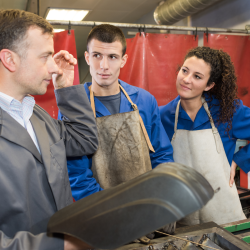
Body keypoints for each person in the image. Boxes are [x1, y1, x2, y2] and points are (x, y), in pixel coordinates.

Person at [0, 9, 98, 250]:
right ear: (9, 59)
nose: (54, 68)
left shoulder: (36, 115)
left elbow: (85, 140)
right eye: (45, 57)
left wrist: (65, 88)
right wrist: (57, 246)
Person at [58, 24, 174, 201]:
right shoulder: (74, 105)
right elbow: (75, 172)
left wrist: (157, 195)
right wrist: (110, 208)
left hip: (147, 203)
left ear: (123, 60)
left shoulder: (144, 100)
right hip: (98, 210)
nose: (104, 66)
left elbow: (161, 155)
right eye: (97, 56)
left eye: (112, 57)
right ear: (87, 57)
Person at [160, 46, 247, 226]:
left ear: (209, 85)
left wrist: (240, 160)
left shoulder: (228, 112)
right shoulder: (163, 116)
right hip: (183, 219)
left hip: (225, 217)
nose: (186, 80)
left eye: (197, 76)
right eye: (185, 71)